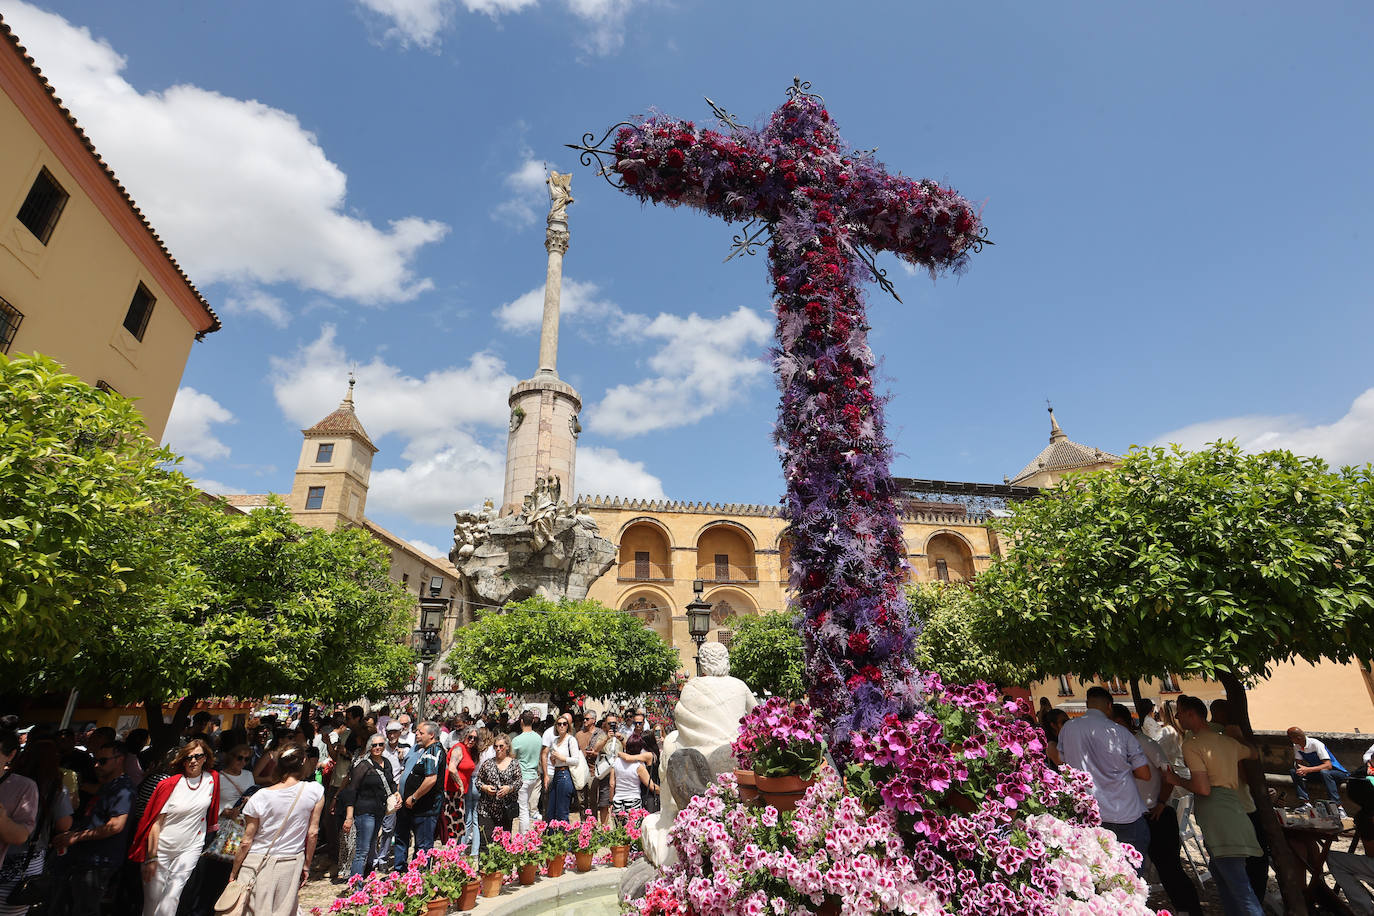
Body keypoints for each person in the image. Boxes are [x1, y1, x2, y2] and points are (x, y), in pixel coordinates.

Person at [1162, 696, 1263, 916]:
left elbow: (1203, 788)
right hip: (1234, 809)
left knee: (1239, 887)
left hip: (1218, 815)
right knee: (1224, 878)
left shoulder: (1193, 744)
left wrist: (1176, 780)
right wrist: (1237, 736)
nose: (1176, 717)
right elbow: (1254, 753)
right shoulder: (1226, 742)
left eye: (1179, 712)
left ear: (1191, 714)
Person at [1109, 704, 1202, 916]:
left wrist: (1160, 802)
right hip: (1135, 815)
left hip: (1155, 813)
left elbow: (1167, 773)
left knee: (1170, 870)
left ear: (1122, 723)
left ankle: (1189, 910)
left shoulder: (1143, 742)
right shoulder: (1119, 747)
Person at [1056, 686, 1151, 873]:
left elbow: (1061, 761)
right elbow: (1144, 773)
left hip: (1088, 813)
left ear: (1086, 704)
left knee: (1098, 875)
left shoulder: (1068, 728)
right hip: (1125, 812)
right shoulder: (1120, 732)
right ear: (1109, 706)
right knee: (1131, 874)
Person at [128, 739, 220, 916]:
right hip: (161, 848)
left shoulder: (212, 779)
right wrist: (152, 857)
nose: (193, 761)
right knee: (153, 900)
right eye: (188, 757)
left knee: (172, 896)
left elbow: (211, 809)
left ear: (206, 758)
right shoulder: (169, 785)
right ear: (182, 760)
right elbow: (155, 823)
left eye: (198, 756)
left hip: (191, 846)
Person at [229, 746, 324, 916]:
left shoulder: (260, 796)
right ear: (303, 762)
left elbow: (246, 840)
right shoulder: (315, 791)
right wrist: (307, 865)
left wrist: (234, 871)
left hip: (256, 860)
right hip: (290, 860)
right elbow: (313, 832)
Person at [50, 741, 132, 916]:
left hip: (98, 863)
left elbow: (115, 826)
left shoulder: (124, 789)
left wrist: (76, 837)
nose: (96, 765)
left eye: (102, 761)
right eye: (96, 760)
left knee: (85, 910)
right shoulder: (110, 785)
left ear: (119, 760)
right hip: (83, 859)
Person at [0, 738, 74, 916]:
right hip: (26, 858)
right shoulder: (55, 787)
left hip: (13, 853)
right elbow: (64, 824)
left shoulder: (10, 781)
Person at [340, 733, 397, 879]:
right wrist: (349, 816)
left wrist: (397, 794)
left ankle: (366, 880)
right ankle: (356, 886)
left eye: (380, 744)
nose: (377, 747)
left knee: (372, 847)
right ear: (369, 747)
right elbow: (351, 791)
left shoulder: (387, 762)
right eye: (374, 745)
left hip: (380, 811)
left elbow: (391, 783)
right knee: (362, 850)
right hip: (365, 812)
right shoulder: (363, 766)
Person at [393, 723, 444, 870]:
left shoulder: (434, 750)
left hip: (425, 808)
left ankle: (420, 877)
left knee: (422, 846)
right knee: (402, 837)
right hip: (410, 806)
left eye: (421, 733)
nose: (417, 735)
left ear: (431, 735)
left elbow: (431, 779)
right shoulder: (423, 750)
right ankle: (402, 871)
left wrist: (414, 797)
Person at [475, 734, 521, 845]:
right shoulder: (488, 763)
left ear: (507, 747)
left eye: (501, 746)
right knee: (486, 842)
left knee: (504, 843)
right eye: (496, 746)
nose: (498, 749)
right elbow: (478, 781)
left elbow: (519, 782)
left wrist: (509, 788)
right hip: (486, 809)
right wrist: (485, 788)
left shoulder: (514, 764)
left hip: (505, 810)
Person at [1288, 725, 1349, 804]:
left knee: (1324, 772)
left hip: (1337, 773)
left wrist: (1307, 769)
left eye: (1290, 737)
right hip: (1319, 773)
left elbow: (1328, 766)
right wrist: (1299, 769)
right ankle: (1305, 802)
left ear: (1298, 738)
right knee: (1294, 772)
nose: (1290, 740)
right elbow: (1299, 764)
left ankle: (1337, 805)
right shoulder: (1296, 746)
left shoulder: (1316, 744)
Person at [543, 714, 581, 824]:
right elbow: (553, 761)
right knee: (551, 811)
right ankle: (552, 837)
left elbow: (576, 760)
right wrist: (553, 759)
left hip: (565, 774)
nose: (562, 726)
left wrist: (562, 758)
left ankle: (565, 838)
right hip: (556, 773)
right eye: (559, 724)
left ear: (568, 726)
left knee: (562, 811)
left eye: (564, 724)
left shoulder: (571, 740)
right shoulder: (555, 741)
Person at [609, 736, 656, 821]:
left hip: (618, 801)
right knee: (634, 830)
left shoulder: (616, 761)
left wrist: (611, 801)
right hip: (633, 800)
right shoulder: (639, 766)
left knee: (619, 831)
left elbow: (612, 784)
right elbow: (651, 785)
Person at [511, 712, 543, 832]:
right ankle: (525, 834)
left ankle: (523, 836)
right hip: (534, 775)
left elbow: (512, 758)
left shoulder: (517, 740)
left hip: (522, 776)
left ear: (521, 722)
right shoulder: (538, 737)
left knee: (523, 809)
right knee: (527, 807)